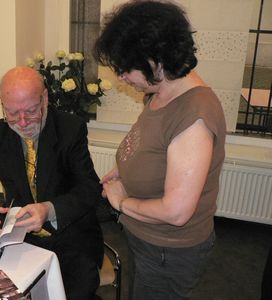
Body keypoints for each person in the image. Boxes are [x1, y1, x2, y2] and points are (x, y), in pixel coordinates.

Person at [94, 1, 226, 299]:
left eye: (126, 68)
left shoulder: (194, 115)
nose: (121, 77)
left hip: (168, 251)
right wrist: (125, 168)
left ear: (155, 60)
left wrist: (122, 203)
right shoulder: (159, 94)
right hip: (146, 239)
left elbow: (177, 212)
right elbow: (153, 146)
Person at [0, 66, 103, 299]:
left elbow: (89, 188)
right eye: (13, 113)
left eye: (31, 111)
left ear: (44, 99)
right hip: (21, 241)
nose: (23, 122)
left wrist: (48, 210)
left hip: (72, 240)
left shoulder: (70, 128)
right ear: (2, 106)